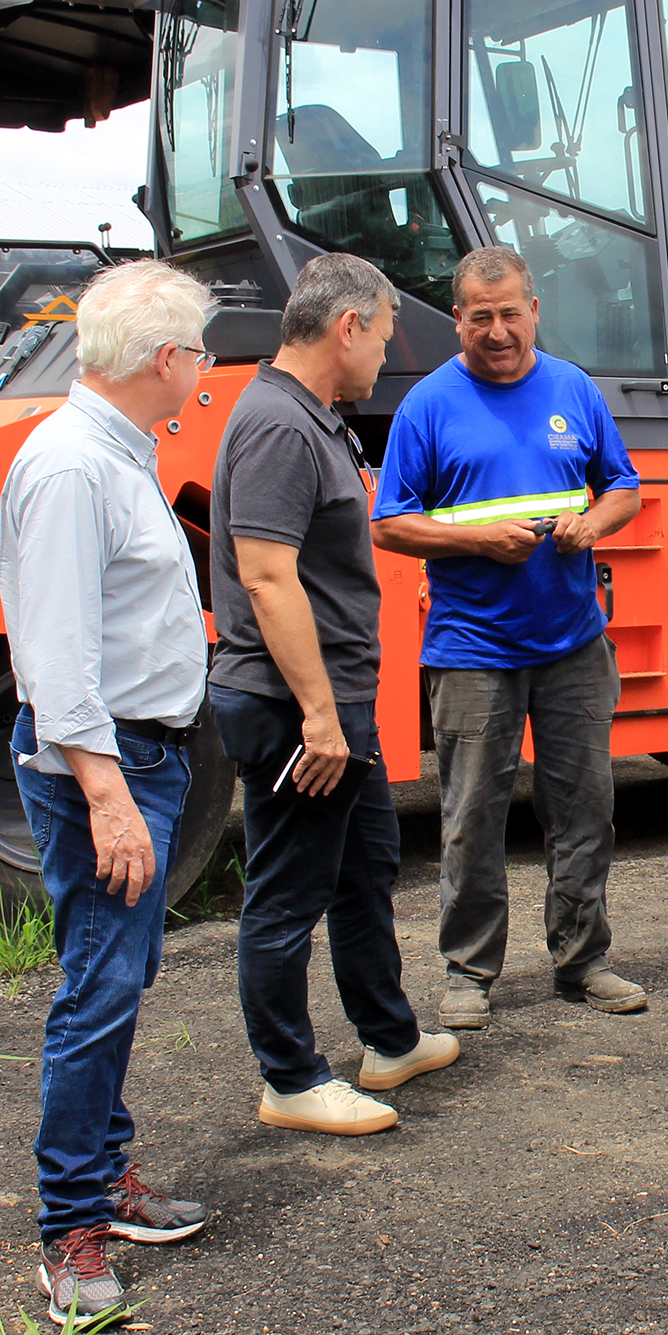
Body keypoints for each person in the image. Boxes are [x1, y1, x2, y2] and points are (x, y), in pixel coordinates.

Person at [0, 260, 217, 1324]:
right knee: (98, 985)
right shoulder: (74, 468)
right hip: (109, 758)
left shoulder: (116, 455)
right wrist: (107, 790)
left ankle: (104, 1180)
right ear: (167, 360)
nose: (205, 369)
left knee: (118, 974)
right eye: (201, 352)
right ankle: (70, 1228)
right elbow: (53, 652)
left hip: (141, 753)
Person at [208, 254, 458, 1136]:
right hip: (294, 706)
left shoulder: (310, 416)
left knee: (363, 870)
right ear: (347, 325)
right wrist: (318, 715)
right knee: (285, 895)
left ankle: (388, 1038)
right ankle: (289, 1078)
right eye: (385, 333)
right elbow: (269, 579)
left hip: (336, 700)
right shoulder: (279, 424)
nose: (386, 353)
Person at [371, 245, 646, 1031]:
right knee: (470, 818)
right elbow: (390, 523)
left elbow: (623, 484)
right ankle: (468, 972)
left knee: (586, 809)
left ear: (534, 310)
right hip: (472, 652)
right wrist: (479, 540)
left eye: (510, 313)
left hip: (571, 643)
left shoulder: (573, 388)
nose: (497, 331)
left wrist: (593, 521)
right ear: (458, 319)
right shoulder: (428, 404)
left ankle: (583, 958)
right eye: (480, 316)